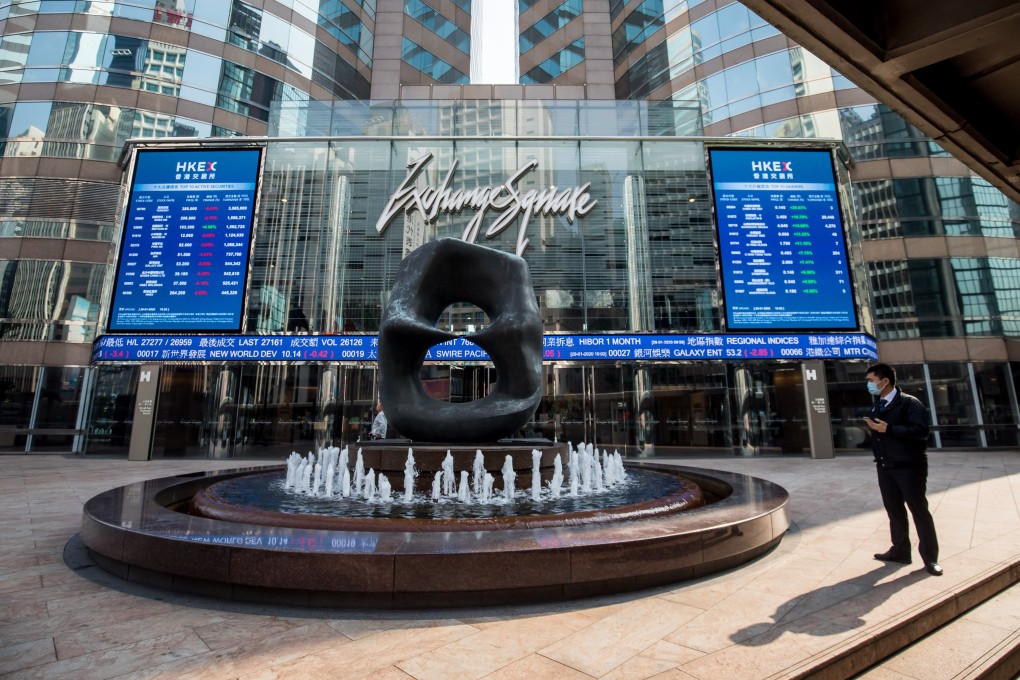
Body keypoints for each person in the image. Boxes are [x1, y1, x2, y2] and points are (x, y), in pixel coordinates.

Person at [864, 363, 942, 576]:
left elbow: (921, 431)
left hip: (909, 466)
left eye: (871, 380)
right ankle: (900, 551)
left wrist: (888, 428)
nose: (869, 385)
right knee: (894, 511)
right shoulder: (878, 404)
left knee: (919, 510)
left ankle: (931, 558)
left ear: (884, 381)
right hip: (885, 466)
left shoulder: (910, 403)